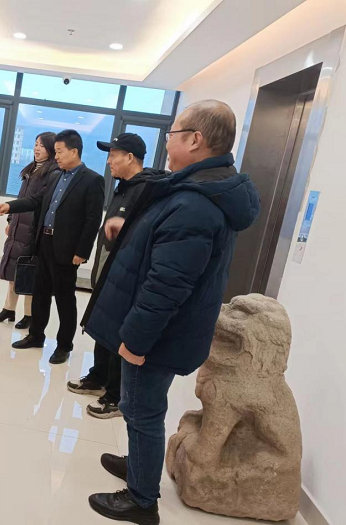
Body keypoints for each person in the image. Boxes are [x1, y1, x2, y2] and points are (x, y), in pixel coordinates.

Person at [82, 100, 260, 524]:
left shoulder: (196, 202)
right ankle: (139, 464)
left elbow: (167, 284)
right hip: (169, 330)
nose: (166, 142)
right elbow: (169, 250)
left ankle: (141, 500)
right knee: (142, 404)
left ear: (195, 140)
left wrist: (135, 340)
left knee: (141, 409)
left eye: (172, 133)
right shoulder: (201, 188)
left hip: (158, 335)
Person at [67, 133, 167, 419]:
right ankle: (98, 377)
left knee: (116, 331)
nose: (109, 161)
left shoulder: (146, 190)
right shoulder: (124, 186)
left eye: (113, 155)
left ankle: (114, 395)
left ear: (130, 157)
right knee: (102, 325)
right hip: (107, 268)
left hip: (125, 276)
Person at [0, 129, 104, 364]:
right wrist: (10, 206)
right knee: (40, 293)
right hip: (44, 243)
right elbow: (36, 200)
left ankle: (64, 345)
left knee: (64, 299)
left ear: (74, 151)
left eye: (60, 152)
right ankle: (36, 335)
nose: (56, 156)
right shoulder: (55, 176)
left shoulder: (92, 180)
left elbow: (92, 220)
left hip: (67, 249)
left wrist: (82, 252)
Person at [0, 132, 60, 329]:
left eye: (42, 145)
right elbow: (21, 198)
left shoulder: (52, 173)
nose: (37, 148)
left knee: (29, 273)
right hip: (18, 227)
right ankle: (9, 309)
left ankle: (29, 314)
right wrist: (11, 220)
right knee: (13, 270)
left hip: (33, 230)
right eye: (36, 144)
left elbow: (37, 202)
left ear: (51, 149)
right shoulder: (31, 169)